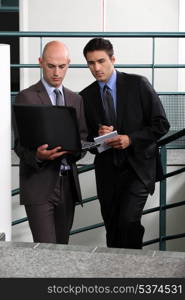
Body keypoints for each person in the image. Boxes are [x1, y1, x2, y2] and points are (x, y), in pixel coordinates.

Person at [80, 38, 170, 249]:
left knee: (128, 222)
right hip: (107, 172)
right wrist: (98, 135)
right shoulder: (85, 96)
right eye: (91, 63)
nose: (96, 68)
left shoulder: (138, 84)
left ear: (113, 59)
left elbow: (161, 124)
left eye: (101, 61)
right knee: (112, 226)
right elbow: (85, 139)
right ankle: (115, 275)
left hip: (138, 168)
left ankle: (133, 273)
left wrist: (131, 138)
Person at [14, 40, 87, 244]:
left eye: (62, 66)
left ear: (68, 64)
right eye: (51, 66)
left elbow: (82, 140)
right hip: (39, 184)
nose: (57, 72)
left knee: (62, 248)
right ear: (40, 62)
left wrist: (76, 148)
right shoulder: (25, 97)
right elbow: (19, 145)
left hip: (68, 186)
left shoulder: (76, 100)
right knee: (46, 250)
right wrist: (38, 156)